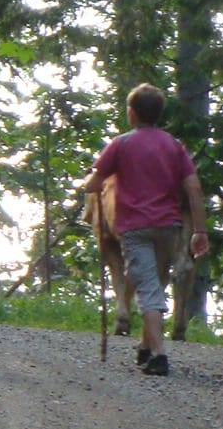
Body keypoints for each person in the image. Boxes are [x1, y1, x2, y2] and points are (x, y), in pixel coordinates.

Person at [83, 84, 210, 377]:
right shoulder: (174, 145)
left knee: (147, 290)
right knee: (155, 282)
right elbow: (193, 187)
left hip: (135, 228)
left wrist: (88, 180)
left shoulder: (120, 144)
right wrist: (199, 231)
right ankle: (144, 345)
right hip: (169, 228)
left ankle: (158, 354)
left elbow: (94, 184)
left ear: (131, 113)